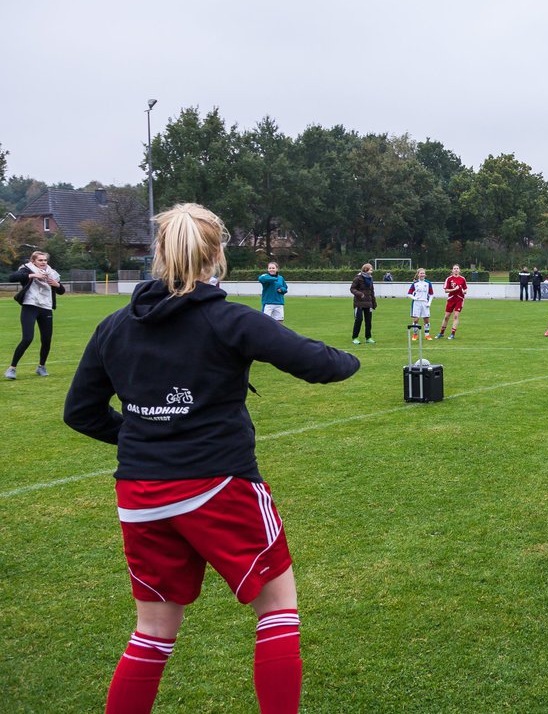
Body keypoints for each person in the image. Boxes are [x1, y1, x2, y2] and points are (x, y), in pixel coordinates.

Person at [62, 203, 360, 714]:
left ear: (157, 255)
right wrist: (350, 359)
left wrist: (148, 438)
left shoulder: (114, 327)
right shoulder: (228, 320)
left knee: (152, 631)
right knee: (276, 610)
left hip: (140, 496)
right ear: (217, 255)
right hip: (220, 487)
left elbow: (81, 413)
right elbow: (320, 365)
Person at [6, 249, 65, 380]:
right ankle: (12, 368)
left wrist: (57, 285)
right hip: (30, 306)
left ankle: (41, 367)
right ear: (33, 261)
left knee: (46, 340)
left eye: (45, 260)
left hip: (46, 308)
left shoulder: (52, 273)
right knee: (27, 338)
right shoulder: (26, 269)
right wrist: (33, 276)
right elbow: (12, 277)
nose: (43, 262)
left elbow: (61, 291)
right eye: (40, 260)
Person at [350, 263, 377, 344]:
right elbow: (352, 289)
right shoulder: (357, 278)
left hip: (368, 303)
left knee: (368, 321)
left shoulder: (370, 279)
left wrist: (374, 302)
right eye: (370, 269)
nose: (372, 271)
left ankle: (368, 338)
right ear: (365, 269)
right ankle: (355, 338)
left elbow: (372, 291)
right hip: (359, 303)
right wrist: (359, 294)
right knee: (359, 320)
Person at [438, 264, 467, 340]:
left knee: (456, 316)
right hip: (451, 299)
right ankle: (441, 333)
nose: (456, 270)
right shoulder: (449, 279)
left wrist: (464, 291)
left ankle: (452, 334)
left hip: (459, 299)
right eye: (454, 268)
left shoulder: (462, 279)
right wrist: (454, 289)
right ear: (452, 270)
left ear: (459, 270)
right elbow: (446, 290)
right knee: (446, 317)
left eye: (457, 268)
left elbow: (465, 289)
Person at [407, 268, 434, 341]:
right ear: (418, 274)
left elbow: (431, 294)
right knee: (416, 320)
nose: (422, 274)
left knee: (426, 320)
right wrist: (415, 298)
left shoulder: (428, 283)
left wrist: (429, 303)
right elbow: (409, 293)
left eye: (423, 273)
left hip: (425, 303)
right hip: (416, 303)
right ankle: (415, 334)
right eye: (421, 273)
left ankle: (427, 335)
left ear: (425, 274)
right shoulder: (415, 283)